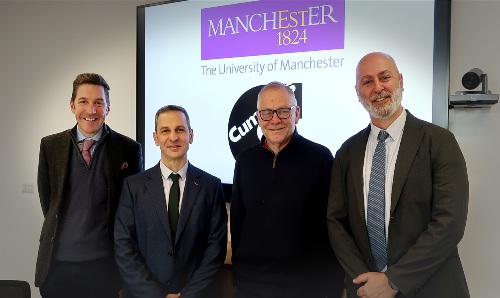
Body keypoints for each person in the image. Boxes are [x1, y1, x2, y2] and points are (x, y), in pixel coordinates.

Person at [327, 52, 470, 298]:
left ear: (401, 81)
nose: (378, 88)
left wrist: (393, 280)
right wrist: (366, 279)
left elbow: (450, 222)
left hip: (433, 287)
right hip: (367, 290)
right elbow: (336, 222)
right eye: (367, 81)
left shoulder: (439, 141)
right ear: (358, 92)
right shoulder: (347, 151)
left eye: (385, 77)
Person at [230, 81, 345, 298]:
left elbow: (333, 227)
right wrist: (238, 277)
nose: (274, 119)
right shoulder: (245, 161)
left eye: (283, 111)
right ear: (257, 118)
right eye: (266, 113)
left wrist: (331, 286)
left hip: (306, 288)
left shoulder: (321, 158)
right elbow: (237, 223)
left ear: (296, 114)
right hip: (250, 286)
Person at [35, 73, 144, 297]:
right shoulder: (50, 146)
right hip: (56, 268)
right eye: (84, 102)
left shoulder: (128, 149)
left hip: (104, 267)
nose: (91, 110)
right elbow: (48, 202)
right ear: (72, 105)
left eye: (99, 103)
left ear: (108, 108)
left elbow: (131, 209)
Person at [114, 105, 228, 298]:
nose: (173, 137)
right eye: (165, 131)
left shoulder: (211, 186)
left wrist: (190, 294)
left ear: (191, 135)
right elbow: (124, 246)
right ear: (155, 138)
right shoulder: (133, 187)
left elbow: (215, 249)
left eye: (180, 130)